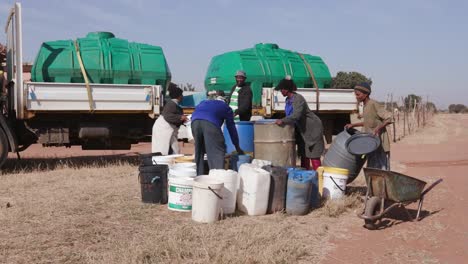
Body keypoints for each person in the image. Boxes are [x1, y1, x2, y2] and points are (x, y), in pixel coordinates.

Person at [274, 77, 325, 170]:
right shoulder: (287, 101)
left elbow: (296, 115)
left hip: (312, 129)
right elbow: (289, 115)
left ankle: (318, 179)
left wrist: (283, 120)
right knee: (304, 154)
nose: (281, 91)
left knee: (313, 154)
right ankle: (305, 177)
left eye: (282, 89)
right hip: (302, 130)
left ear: (287, 89)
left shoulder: (298, 99)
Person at [191, 91, 244, 175]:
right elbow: (231, 128)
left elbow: (197, 113)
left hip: (194, 122)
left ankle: (199, 178)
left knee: (199, 151)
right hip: (210, 123)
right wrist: (237, 147)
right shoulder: (226, 107)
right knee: (217, 152)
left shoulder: (204, 102)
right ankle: (217, 177)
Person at [345, 82, 393, 170]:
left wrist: (378, 128)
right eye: (356, 95)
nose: (356, 97)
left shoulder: (374, 104)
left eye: (358, 94)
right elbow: (368, 122)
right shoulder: (365, 106)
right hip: (370, 143)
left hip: (379, 144)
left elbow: (389, 118)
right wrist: (353, 125)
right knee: (372, 168)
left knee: (381, 169)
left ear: (366, 94)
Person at [151, 87, 188, 155]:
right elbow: (168, 116)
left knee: (174, 149)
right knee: (163, 150)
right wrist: (181, 117)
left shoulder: (173, 104)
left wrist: (183, 120)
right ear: (179, 96)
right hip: (163, 130)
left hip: (167, 130)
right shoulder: (171, 104)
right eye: (182, 95)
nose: (182, 97)